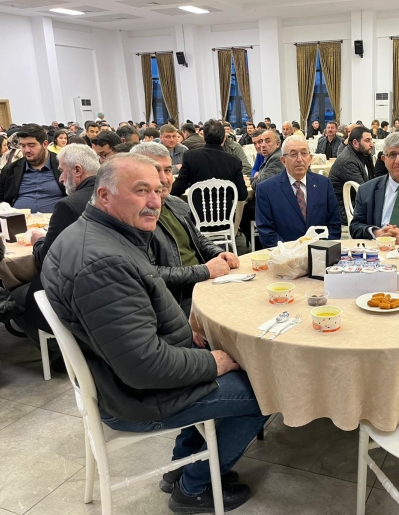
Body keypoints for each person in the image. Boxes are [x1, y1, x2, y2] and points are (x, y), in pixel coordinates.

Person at [41, 153, 266, 512]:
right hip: (136, 397)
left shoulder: (97, 235)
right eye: (141, 190)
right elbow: (145, 367)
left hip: (125, 378)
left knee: (232, 363)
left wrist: (190, 341)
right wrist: (214, 363)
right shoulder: (103, 263)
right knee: (266, 391)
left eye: (158, 190)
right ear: (104, 195)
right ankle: (195, 487)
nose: (154, 201)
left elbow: (136, 327)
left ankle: (182, 466)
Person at [9, 144, 101, 361]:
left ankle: (56, 355)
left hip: (73, 291)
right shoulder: (112, 195)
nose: (60, 178)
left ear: (77, 170)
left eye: (62, 171)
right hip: (102, 284)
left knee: (15, 294)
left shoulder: (68, 205)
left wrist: (38, 241)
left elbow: (46, 259)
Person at [132, 142, 239, 315]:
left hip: (204, 284)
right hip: (180, 299)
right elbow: (151, 274)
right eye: (155, 170)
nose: (164, 179)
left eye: (168, 170)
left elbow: (199, 239)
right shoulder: (136, 217)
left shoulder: (176, 203)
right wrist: (204, 271)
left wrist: (219, 253)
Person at [255, 135, 341, 247]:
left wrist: (323, 248)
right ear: (283, 161)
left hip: (320, 251)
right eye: (293, 154)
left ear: (310, 159)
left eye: (304, 153)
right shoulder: (266, 189)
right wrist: (290, 251)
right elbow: (266, 231)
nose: (299, 159)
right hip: (284, 253)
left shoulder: (324, 184)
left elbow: (334, 224)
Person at [171, 120, 247, 225]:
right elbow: (242, 195)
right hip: (225, 219)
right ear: (223, 138)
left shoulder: (191, 156)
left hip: (198, 218)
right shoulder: (234, 161)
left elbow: (178, 188)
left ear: (204, 137)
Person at [0, 124, 65, 212]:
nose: (26, 150)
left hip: (57, 219)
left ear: (45, 144)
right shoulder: (9, 170)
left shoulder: (64, 166)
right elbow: (0, 202)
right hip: (19, 219)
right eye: (23, 146)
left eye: (31, 145)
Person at [329, 126, 375, 225]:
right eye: (367, 140)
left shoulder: (363, 155)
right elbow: (363, 192)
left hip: (354, 203)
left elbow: (372, 180)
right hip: (345, 209)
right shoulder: (348, 162)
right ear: (355, 143)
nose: (372, 144)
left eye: (371, 140)